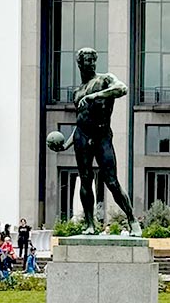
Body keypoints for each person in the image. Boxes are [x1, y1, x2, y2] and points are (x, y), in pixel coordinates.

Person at [49, 47, 140, 236]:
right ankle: (90, 224)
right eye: (87, 60)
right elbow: (80, 121)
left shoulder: (104, 79)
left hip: (102, 136)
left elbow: (122, 88)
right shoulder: (77, 92)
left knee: (111, 181)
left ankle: (132, 219)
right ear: (79, 63)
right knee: (85, 180)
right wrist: (65, 145)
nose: (91, 63)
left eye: (93, 60)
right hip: (82, 137)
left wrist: (95, 95)